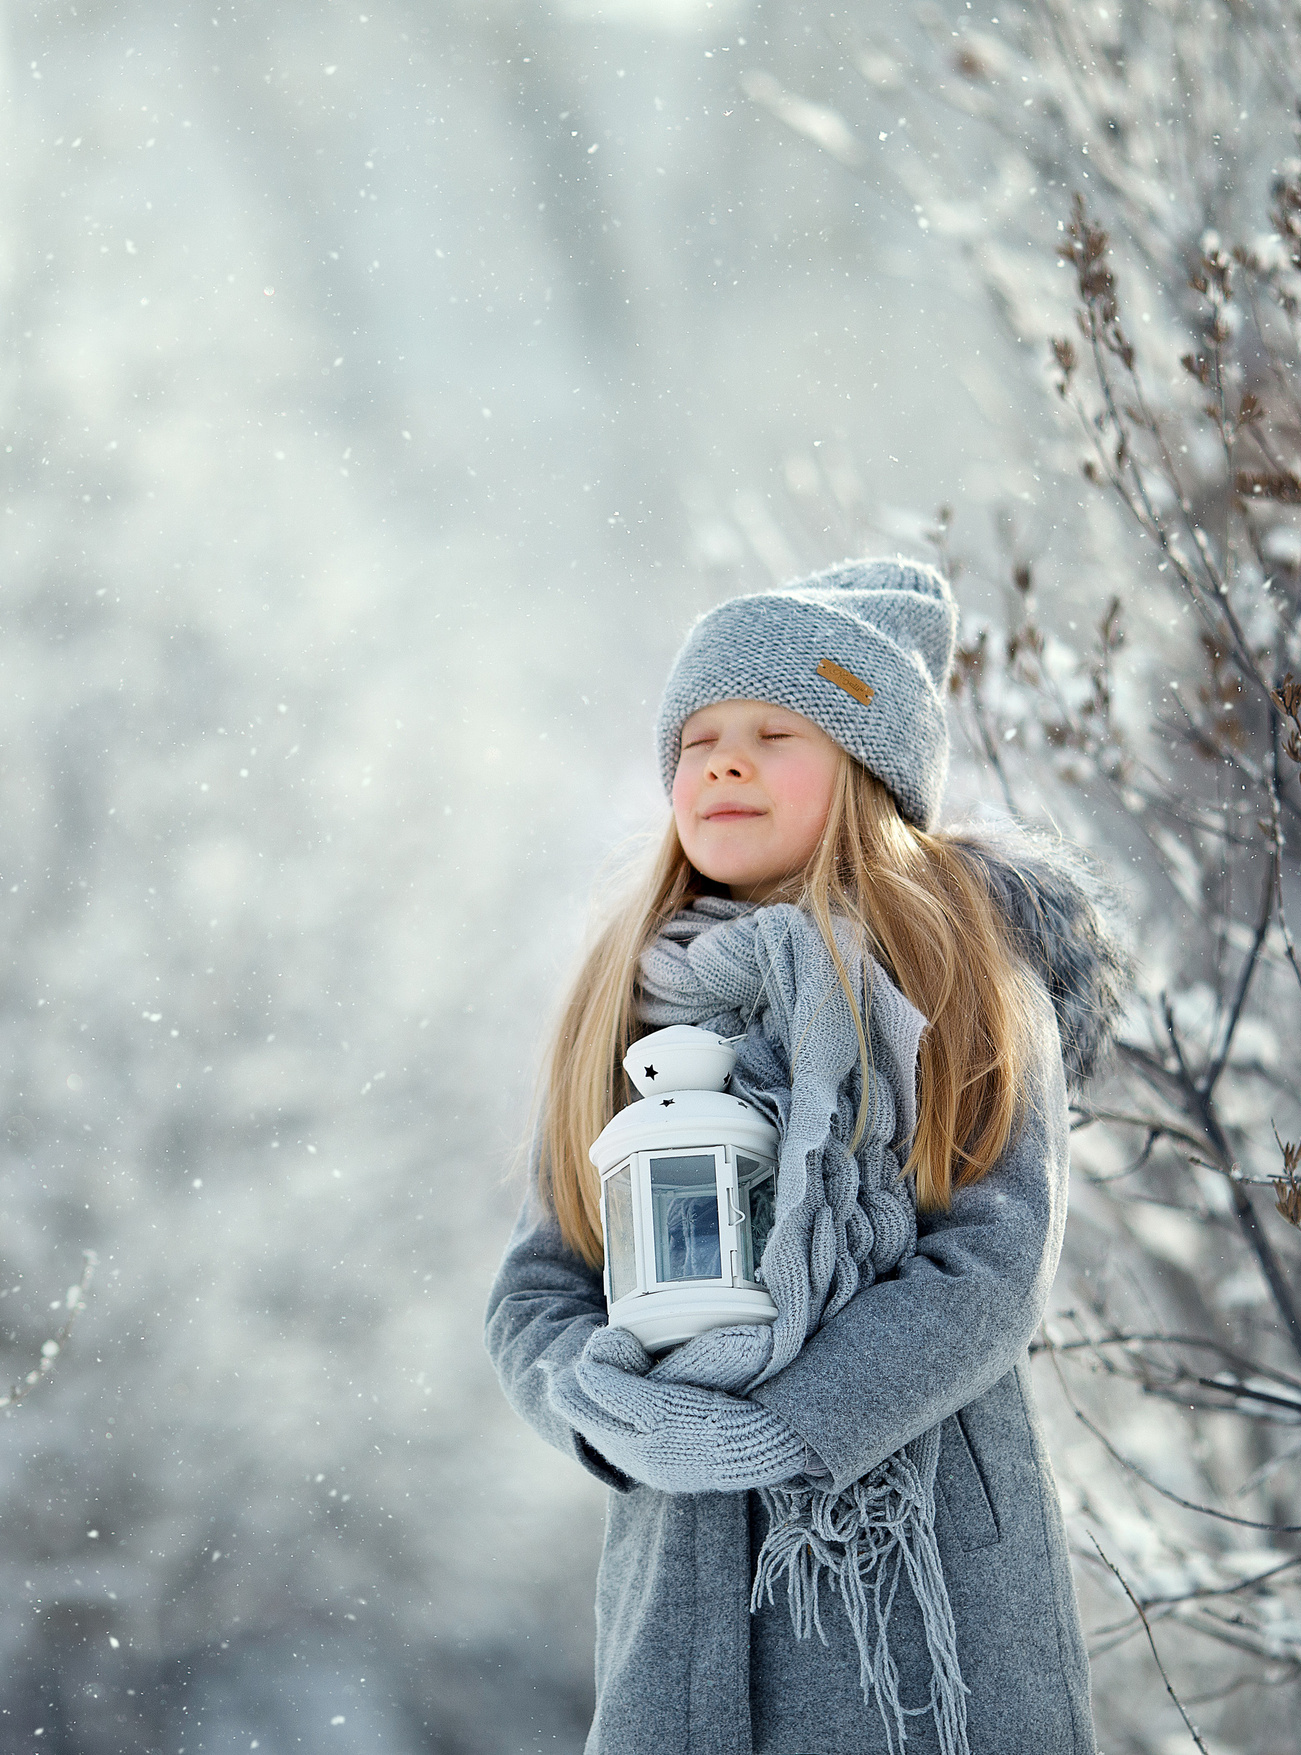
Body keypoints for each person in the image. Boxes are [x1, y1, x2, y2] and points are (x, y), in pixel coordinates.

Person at [484, 559, 1129, 1755]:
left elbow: (989, 1270)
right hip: (681, 1574)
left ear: (869, 772)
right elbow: (537, 1289)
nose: (722, 761)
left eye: (775, 731)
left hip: (922, 1568)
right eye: (698, 738)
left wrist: (792, 1428)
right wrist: (609, 1412)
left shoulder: (960, 979)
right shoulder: (624, 1004)